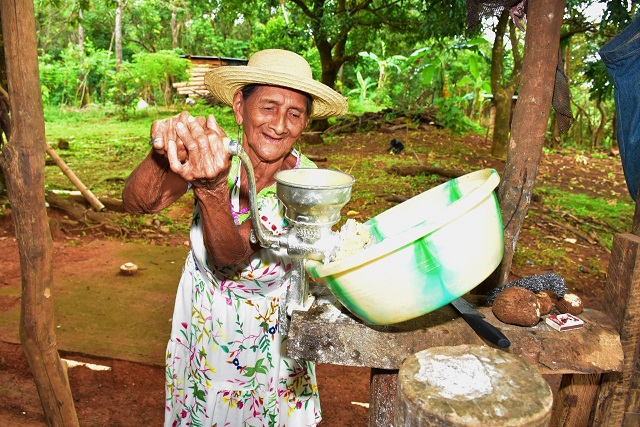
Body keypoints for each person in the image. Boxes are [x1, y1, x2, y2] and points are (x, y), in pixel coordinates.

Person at [122, 49, 348, 427]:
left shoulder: (305, 187)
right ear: (240, 107)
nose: (280, 125)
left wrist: (211, 191)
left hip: (267, 340)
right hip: (202, 323)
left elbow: (231, 257)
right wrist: (164, 150)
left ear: (305, 122)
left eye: (295, 114)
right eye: (268, 107)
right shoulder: (215, 155)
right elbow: (138, 202)